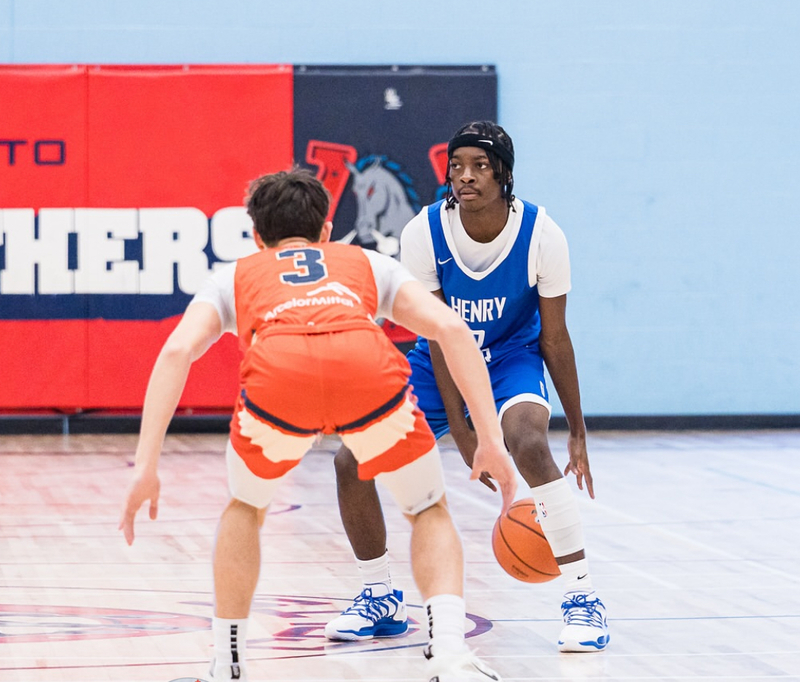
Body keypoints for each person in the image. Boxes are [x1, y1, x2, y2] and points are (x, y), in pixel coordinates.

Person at [118, 167, 518, 682]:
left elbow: (177, 351)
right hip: (365, 369)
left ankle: (228, 664)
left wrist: (146, 466)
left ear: (256, 236)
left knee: (246, 507)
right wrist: (489, 439)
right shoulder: (366, 262)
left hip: (279, 378)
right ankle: (450, 656)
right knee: (426, 508)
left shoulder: (237, 274)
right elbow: (449, 328)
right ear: (326, 231)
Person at [326, 121, 610, 652]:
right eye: (457, 166)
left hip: (510, 360)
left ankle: (582, 597)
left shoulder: (543, 236)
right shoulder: (423, 233)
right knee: (349, 460)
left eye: (479, 166)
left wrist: (577, 430)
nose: (465, 176)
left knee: (526, 442)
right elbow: (435, 336)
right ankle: (380, 596)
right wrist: (463, 430)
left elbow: (555, 340)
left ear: (504, 174)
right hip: (438, 366)